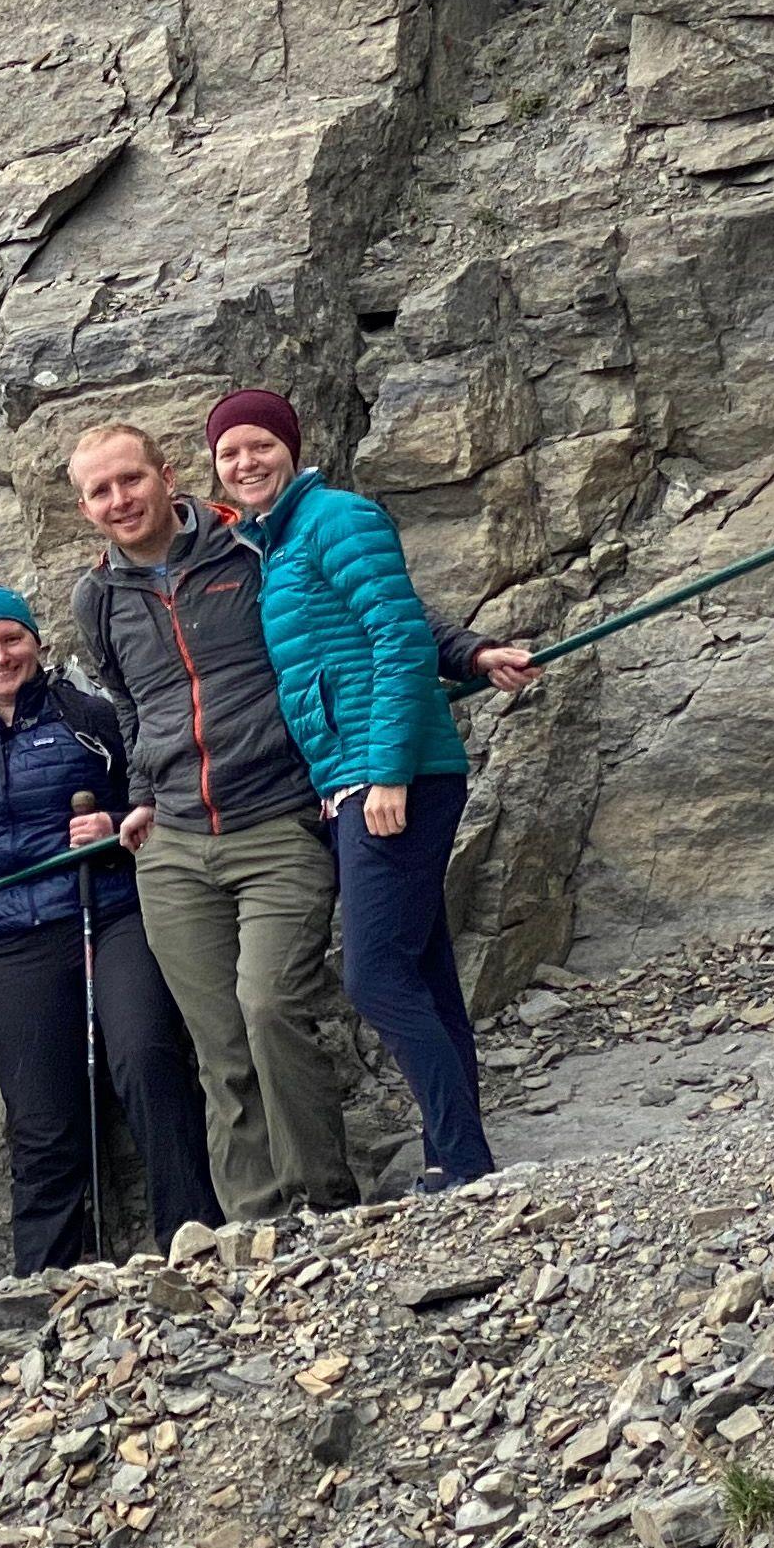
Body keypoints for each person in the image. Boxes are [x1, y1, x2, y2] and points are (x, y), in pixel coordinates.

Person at [70, 414, 533, 1221]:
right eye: (100, 490)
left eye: (130, 478)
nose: (120, 499)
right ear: (85, 508)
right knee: (217, 1043)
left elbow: (366, 613)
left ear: (168, 475)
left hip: (277, 817)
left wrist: (465, 650)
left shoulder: (247, 547)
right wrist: (141, 790)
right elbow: (128, 702)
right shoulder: (96, 597)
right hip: (174, 839)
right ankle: (259, 1219)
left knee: (271, 1007)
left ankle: (323, 1196)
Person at [206, 386, 501, 1191]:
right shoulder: (281, 541)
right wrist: (471, 652)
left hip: (390, 778)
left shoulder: (336, 517)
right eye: (230, 454)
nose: (245, 461)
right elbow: (394, 619)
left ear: (291, 448)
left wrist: (384, 771)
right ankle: (458, 1156)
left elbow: (395, 635)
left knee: (375, 976)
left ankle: (463, 1159)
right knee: (424, 970)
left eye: (259, 445)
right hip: (356, 780)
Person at [0, 590, 217, 1273]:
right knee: (39, 1114)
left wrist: (115, 822)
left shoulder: (86, 713)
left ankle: (192, 1239)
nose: (0, 656)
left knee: (146, 1058)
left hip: (111, 911)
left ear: (35, 642)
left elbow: (156, 787)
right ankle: (47, 1279)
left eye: (12, 640)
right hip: (12, 938)